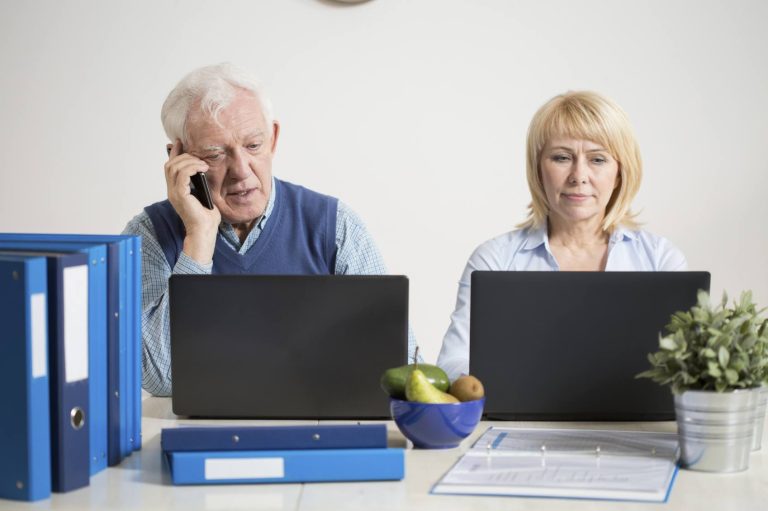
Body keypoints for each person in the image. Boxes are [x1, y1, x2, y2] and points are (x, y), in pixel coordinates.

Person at [124, 63, 416, 396]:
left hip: (316, 428)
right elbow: (161, 379)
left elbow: (401, 364)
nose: (241, 171)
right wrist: (199, 236)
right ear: (178, 159)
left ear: (273, 138)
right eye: (215, 154)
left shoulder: (335, 226)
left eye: (253, 146)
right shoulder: (148, 236)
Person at [436, 91, 687, 381]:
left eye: (598, 159)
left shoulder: (660, 259)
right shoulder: (495, 259)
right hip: (521, 422)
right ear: (538, 169)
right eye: (562, 157)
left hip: (636, 426)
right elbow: (453, 360)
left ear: (619, 172)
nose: (579, 175)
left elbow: (686, 369)